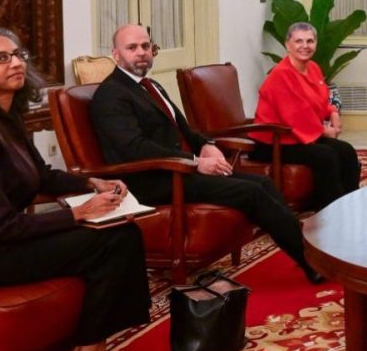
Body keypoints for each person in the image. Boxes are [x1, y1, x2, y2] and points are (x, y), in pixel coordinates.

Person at [0, 27, 150, 351]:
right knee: (108, 242)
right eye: (0, 58)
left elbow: (41, 176)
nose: (15, 63)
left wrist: (89, 183)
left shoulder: (5, 120)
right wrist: (78, 214)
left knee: (122, 231)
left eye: (18, 55)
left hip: (5, 242)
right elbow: (1, 226)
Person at [90, 24, 324, 285]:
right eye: (132, 48)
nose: (141, 53)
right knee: (251, 192)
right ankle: (311, 262)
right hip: (148, 179)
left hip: (176, 169)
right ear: (116, 54)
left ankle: (311, 254)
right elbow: (134, 147)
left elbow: (184, 129)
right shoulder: (111, 95)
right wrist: (195, 162)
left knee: (263, 183)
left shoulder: (151, 85)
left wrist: (207, 144)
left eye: (145, 46)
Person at [249, 22, 361, 210]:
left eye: (310, 41)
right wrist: (324, 132)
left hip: (298, 137)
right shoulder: (281, 75)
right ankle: (329, 211)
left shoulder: (313, 68)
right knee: (325, 155)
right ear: (288, 45)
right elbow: (294, 116)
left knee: (346, 150)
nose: (305, 46)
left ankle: (349, 205)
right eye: (299, 41)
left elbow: (318, 101)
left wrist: (332, 112)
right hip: (273, 142)